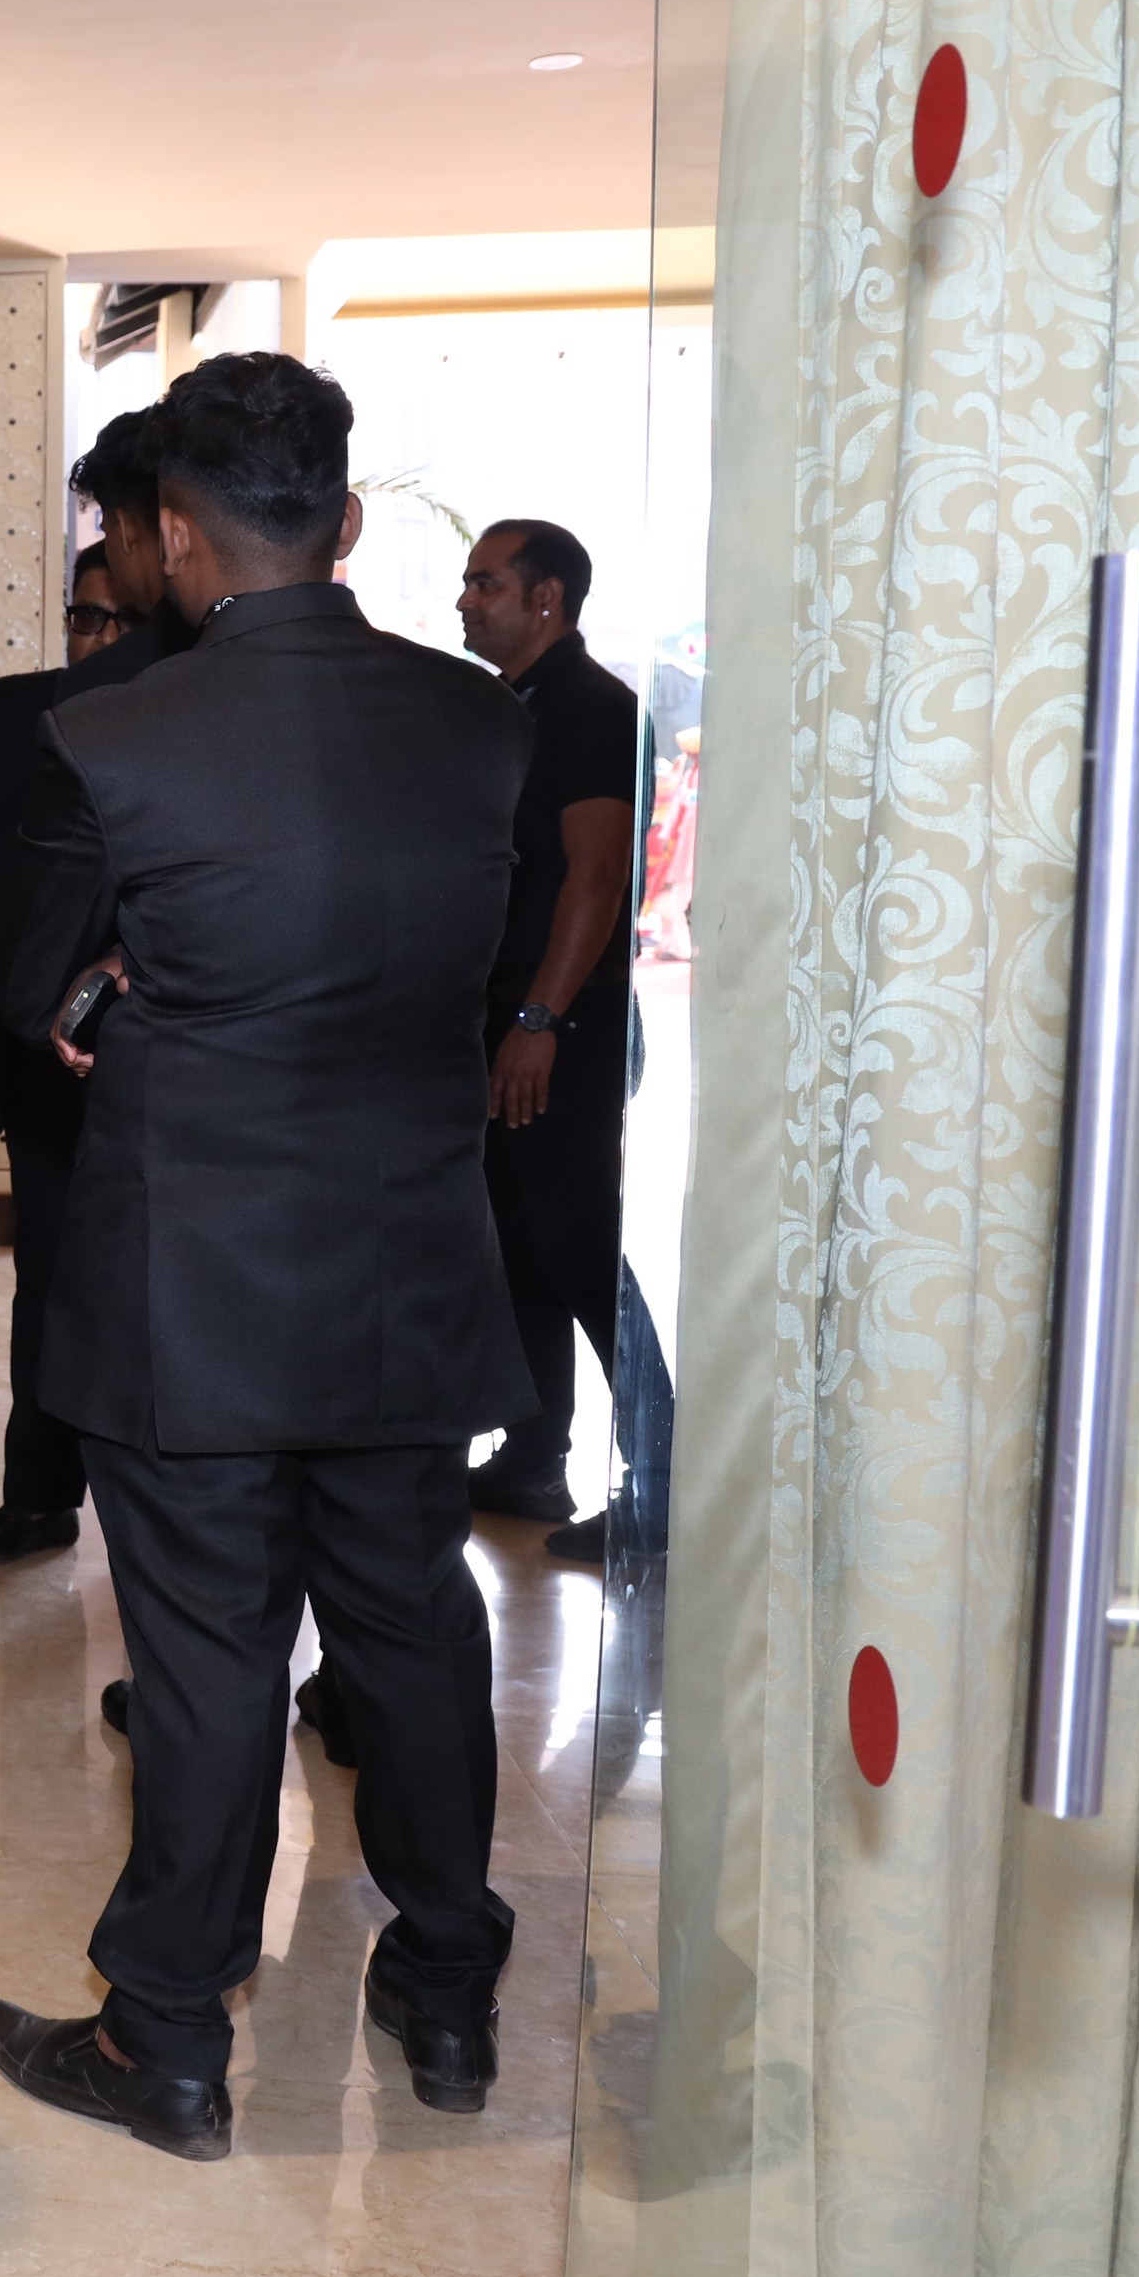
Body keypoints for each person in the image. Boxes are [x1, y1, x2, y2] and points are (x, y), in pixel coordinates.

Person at [0, 351, 535, 2158]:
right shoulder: (480, 722)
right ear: (349, 522)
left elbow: (26, 998)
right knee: (415, 1627)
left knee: (210, 1656)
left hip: (190, 1281)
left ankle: (166, 2042)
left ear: (178, 538)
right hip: (413, 1265)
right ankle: (447, 1985)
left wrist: (109, 992)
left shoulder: (112, 736)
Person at [0, 409, 195, 1567]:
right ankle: (40, 1493)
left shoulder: (204, 703)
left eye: (122, 614)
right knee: (52, 1288)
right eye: (86, 616)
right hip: (49, 1069)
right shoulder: (13, 713)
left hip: (176, 1064)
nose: (102, 637)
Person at [454, 518, 671, 1564]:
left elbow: (594, 879)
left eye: (485, 583)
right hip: (508, 1020)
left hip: (563, 1024)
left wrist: (538, 1019)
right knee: (519, 1249)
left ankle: (663, 1488)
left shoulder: (593, 709)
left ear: (547, 600)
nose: (464, 599)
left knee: (579, 1252)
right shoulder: (509, 709)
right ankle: (536, 1453)